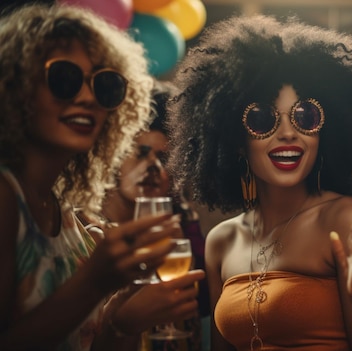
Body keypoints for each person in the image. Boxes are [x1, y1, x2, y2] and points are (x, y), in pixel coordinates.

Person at [166, 14, 352, 351]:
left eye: (305, 116)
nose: (287, 133)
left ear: (324, 132)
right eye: (262, 118)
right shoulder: (221, 241)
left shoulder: (349, 221)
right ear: (235, 139)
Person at [0, 4, 202, 350]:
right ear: (17, 88)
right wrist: (93, 282)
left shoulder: (73, 225)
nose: (87, 97)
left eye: (105, 85)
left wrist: (120, 322)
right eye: (64, 79)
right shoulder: (5, 197)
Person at [101, 80, 210, 351]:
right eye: (140, 153)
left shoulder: (182, 230)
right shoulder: (84, 233)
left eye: (164, 159)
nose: (151, 167)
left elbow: (201, 309)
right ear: (115, 156)